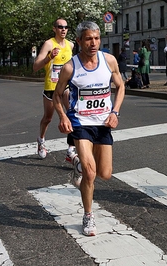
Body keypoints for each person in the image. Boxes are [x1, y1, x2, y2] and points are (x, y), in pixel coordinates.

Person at [52, 21, 125, 236]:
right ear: (79, 41)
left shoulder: (109, 61)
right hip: (80, 123)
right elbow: (57, 95)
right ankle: (88, 216)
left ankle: (78, 167)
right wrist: (63, 116)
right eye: (88, 39)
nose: (93, 43)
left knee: (105, 174)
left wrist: (115, 112)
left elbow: (120, 87)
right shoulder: (70, 67)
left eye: (96, 38)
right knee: (91, 173)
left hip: (103, 124)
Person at [33, 18, 74, 159]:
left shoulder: (71, 45)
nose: (63, 29)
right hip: (51, 87)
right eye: (60, 26)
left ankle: (71, 149)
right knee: (48, 118)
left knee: (71, 116)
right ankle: (41, 140)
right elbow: (35, 66)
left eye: (66, 27)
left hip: (66, 87)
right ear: (54, 29)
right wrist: (49, 57)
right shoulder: (49, 44)